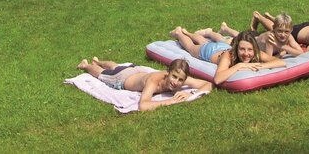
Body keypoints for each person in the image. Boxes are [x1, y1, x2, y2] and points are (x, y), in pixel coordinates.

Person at [76, 57, 212, 111]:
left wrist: (191, 93)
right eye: (174, 77)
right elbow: (143, 105)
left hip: (134, 70)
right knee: (101, 73)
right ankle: (87, 65)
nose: (176, 82)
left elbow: (208, 84)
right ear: (168, 72)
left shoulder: (179, 79)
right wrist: (170, 101)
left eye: (180, 80)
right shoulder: (154, 81)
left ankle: (98, 60)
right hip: (122, 79)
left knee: (117, 66)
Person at [170, 27, 284, 84]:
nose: (246, 53)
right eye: (242, 49)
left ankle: (188, 32)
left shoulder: (255, 53)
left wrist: (260, 65)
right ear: (236, 48)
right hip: (210, 52)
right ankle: (179, 33)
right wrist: (238, 66)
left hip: (222, 46)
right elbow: (217, 79)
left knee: (204, 41)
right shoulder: (229, 56)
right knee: (191, 48)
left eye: (249, 50)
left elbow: (281, 62)